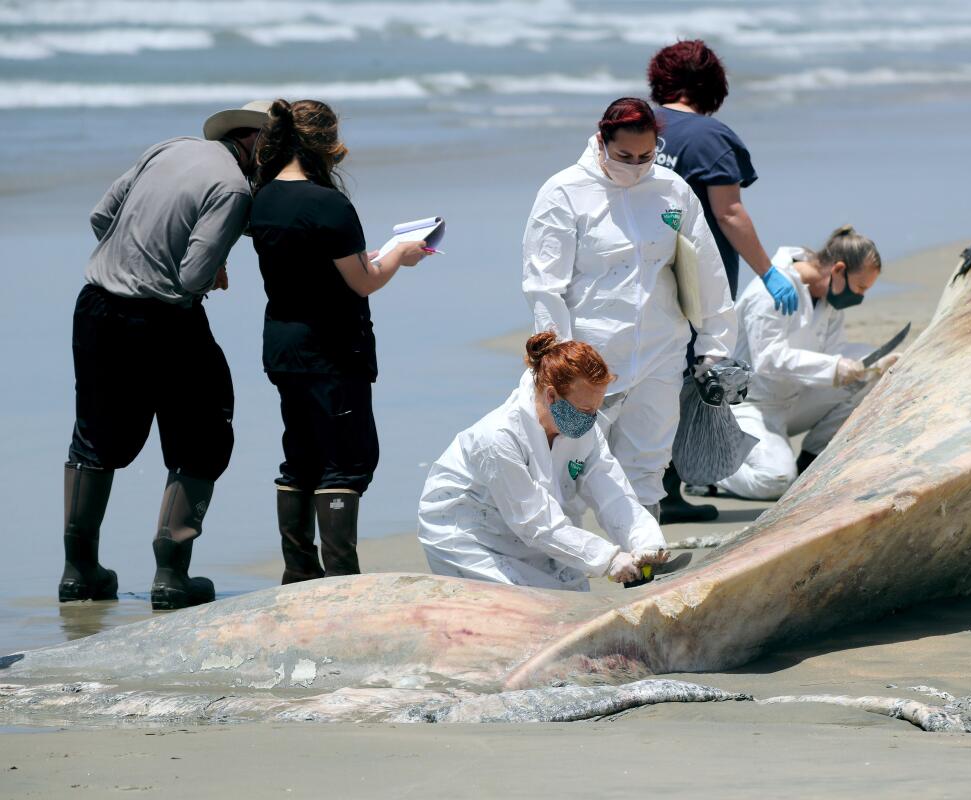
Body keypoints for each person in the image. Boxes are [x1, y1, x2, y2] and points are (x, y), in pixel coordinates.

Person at [61, 100, 269, 610]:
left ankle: (78, 569)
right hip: (164, 319)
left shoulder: (170, 147)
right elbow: (195, 276)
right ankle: (171, 575)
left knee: (94, 435)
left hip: (95, 306)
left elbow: (101, 215)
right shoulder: (234, 188)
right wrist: (210, 264)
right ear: (257, 143)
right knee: (203, 432)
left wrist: (140, 254)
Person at [521, 97, 737, 520]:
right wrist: (559, 359)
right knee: (569, 465)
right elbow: (544, 285)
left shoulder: (672, 189)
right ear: (602, 142)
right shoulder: (564, 191)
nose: (636, 165)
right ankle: (564, 574)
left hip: (661, 348)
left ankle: (643, 567)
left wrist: (715, 346)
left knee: (647, 463)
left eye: (645, 155)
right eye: (624, 156)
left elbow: (706, 271)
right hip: (591, 357)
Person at [248, 99, 427, 584]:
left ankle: (299, 568)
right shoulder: (329, 203)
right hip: (332, 348)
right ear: (328, 144)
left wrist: (361, 261)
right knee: (345, 461)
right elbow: (364, 283)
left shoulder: (261, 197)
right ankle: (342, 577)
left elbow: (311, 263)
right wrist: (400, 256)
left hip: (283, 344)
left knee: (300, 453)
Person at [648, 39, 799, 522]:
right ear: (712, 86)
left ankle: (646, 493)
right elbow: (728, 212)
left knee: (647, 381)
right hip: (692, 284)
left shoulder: (635, 127)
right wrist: (770, 272)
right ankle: (665, 495)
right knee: (685, 382)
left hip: (635, 280)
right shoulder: (709, 137)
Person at [418, 333, 668, 590]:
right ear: (551, 396)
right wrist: (608, 559)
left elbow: (612, 493)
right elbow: (532, 521)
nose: (591, 419)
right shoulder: (498, 437)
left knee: (572, 596)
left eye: (596, 409)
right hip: (467, 534)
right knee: (520, 604)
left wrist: (645, 541)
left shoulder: (584, 430)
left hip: (526, 530)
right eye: (584, 410)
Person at [716, 226, 899, 501]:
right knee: (775, 480)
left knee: (870, 377)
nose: (860, 297)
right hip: (750, 406)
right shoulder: (771, 292)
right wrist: (835, 368)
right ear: (838, 270)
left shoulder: (829, 300)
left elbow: (834, 352)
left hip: (792, 399)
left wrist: (873, 362)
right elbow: (769, 359)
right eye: (860, 287)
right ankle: (710, 470)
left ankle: (811, 461)